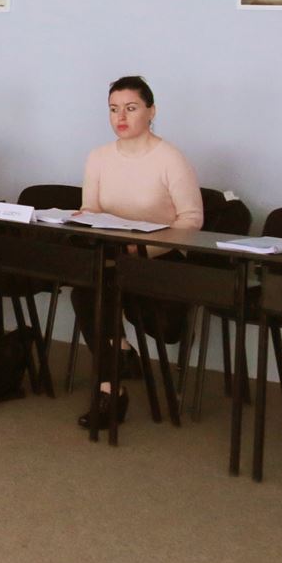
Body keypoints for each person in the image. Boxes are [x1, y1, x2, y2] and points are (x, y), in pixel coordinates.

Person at [74, 76, 203, 430]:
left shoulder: (170, 158)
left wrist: (143, 247)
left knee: (104, 288)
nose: (121, 117)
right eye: (113, 109)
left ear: (151, 111)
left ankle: (121, 354)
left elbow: (191, 220)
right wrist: (82, 219)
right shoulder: (98, 157)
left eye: (130, 108)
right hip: (115, 256)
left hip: (160, 259)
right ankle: (111, 389)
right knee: (87, 291)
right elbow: (91, 210)